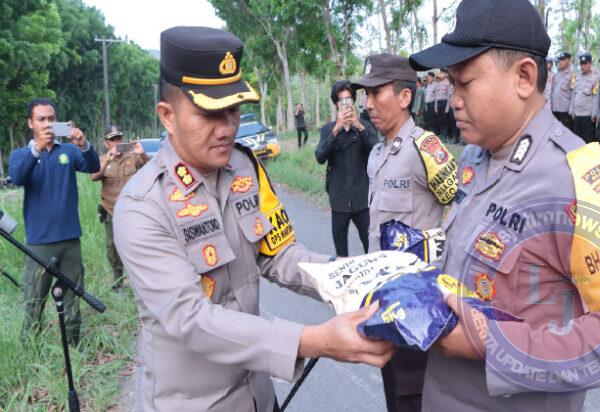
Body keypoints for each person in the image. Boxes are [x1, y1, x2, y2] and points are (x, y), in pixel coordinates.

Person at [409, 0, 600, 410]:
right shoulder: (473, 159)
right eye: (451, 84)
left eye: (465, 83)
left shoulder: (577, 178)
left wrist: (495, 345)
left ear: (524, 77)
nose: (454, 100)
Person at [113, 27, 393, 411]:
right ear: (167, 116)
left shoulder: (245, 167)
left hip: (258, 396)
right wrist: (315, 340)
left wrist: (362, 276)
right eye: (210, 113)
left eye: (233, 109)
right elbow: (190, 319)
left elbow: (279, 255)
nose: (228, 127)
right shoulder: (143, 205)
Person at [352, 52, 458, 412]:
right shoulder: (377, 153)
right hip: (383, 299)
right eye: (364, 95)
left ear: (404, 97)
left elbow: (461, 210)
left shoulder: (425, 149)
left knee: (415, 395)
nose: (367, 104)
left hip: (418, 306)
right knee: (393, 391)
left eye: (375, 93)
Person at [9, 99, 100, 346]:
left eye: (51, 119)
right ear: (31, 123)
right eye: (41, 119)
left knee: (72, 298)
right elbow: (16, 178)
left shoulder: (68, 152)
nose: (47, 124)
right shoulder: (20, 155)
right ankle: (30, 350)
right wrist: (36, 149)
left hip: (70, 240)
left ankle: (73, 346)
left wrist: (84, 145)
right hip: (39, 243)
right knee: (34, 300)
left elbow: (94, 166)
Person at [315, 80, 378, 257]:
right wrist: (335, 130)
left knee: (371, 247)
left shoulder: (365, 126)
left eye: (349, 99)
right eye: (341, 100)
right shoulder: (328, 130)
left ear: (353, 101)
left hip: (362, 199)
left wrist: (359, 126)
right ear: (336, 103)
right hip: (339, 200)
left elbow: (378, 152)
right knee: (341, 253)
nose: (346, 104)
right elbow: (320, 157)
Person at [90, 125, 148, 290]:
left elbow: (150, 166)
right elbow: (94, 176)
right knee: (112, 248)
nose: (116, 142)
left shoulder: (133, 156)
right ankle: (118, 283)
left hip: (132, 211)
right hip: (110, 210)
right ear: (105, 143)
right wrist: (108, 159)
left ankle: (139, 282)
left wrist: (141, 152)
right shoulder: (102, 159)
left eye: (119, 138)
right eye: (112, 139)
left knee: (136, 245)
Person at [570, 53, 598, 142]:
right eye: (581, 63)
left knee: (588, 141)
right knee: (577, 141)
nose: (583, 66)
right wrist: (571, 110)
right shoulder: (576, 77)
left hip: (588, 116)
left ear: (590, 63)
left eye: (585, 63)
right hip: (577, 115)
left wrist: (594, 114)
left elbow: (596, 97)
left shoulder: (595, 78)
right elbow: (573, 94)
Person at [551, 51, 573, 129]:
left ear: (569, 61)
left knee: (566, 135)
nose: (560, 62)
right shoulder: (556, 75)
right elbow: (552, 92)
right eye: (560, 60)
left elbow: (574, 94)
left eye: (563, 59)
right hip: (554, 110)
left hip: (565, 111)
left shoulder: (573, 76)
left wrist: (572, 109)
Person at [433, 69, 451, 138]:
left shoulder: (448, 83)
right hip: (439, 103)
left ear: (445, 74)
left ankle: (445, 135)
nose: (440, 74)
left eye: (442, 73)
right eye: (440, 73)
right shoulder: (438, 83)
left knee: (445, 120)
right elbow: (437, 96)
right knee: (440, 120)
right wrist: (435, 106)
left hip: (444, 102)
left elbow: (448, 96)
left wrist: (447, 107)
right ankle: (442, 134)